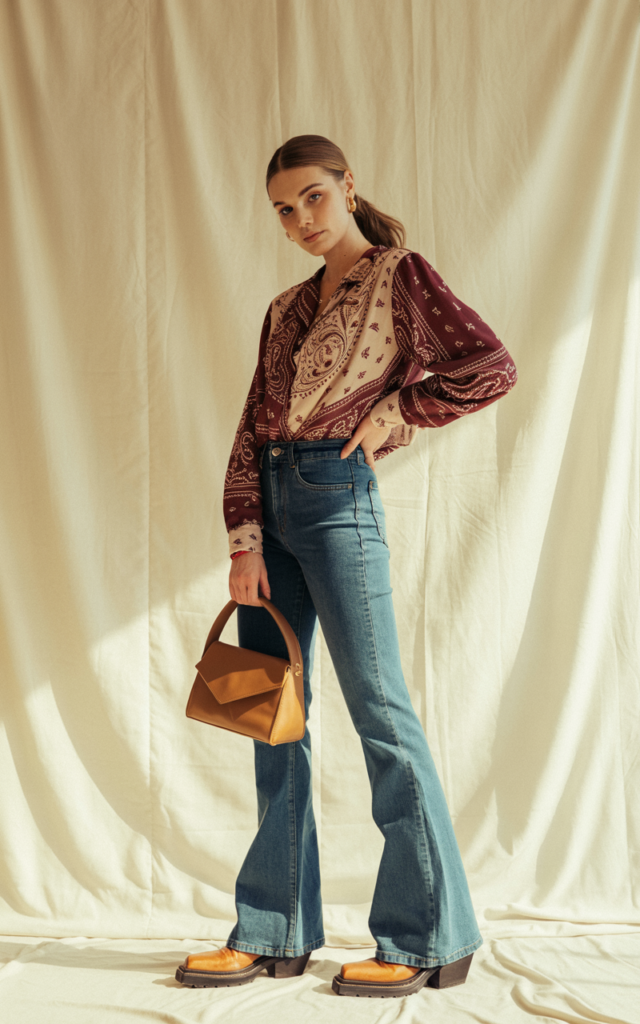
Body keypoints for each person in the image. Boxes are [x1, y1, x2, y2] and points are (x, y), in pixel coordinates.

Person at [176, 134, 517, 998]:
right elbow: (255, 421)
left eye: (314, 199)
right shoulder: (285, 306)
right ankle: (274, 929)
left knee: (381, 716)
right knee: (266, 713)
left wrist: (401, 410)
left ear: (348, 185)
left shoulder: (402, 276)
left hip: (338, 503)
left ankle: (429, 934)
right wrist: (242, 541)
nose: (300, 221)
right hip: (274, 514)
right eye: (284, 210)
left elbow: (489, 366)